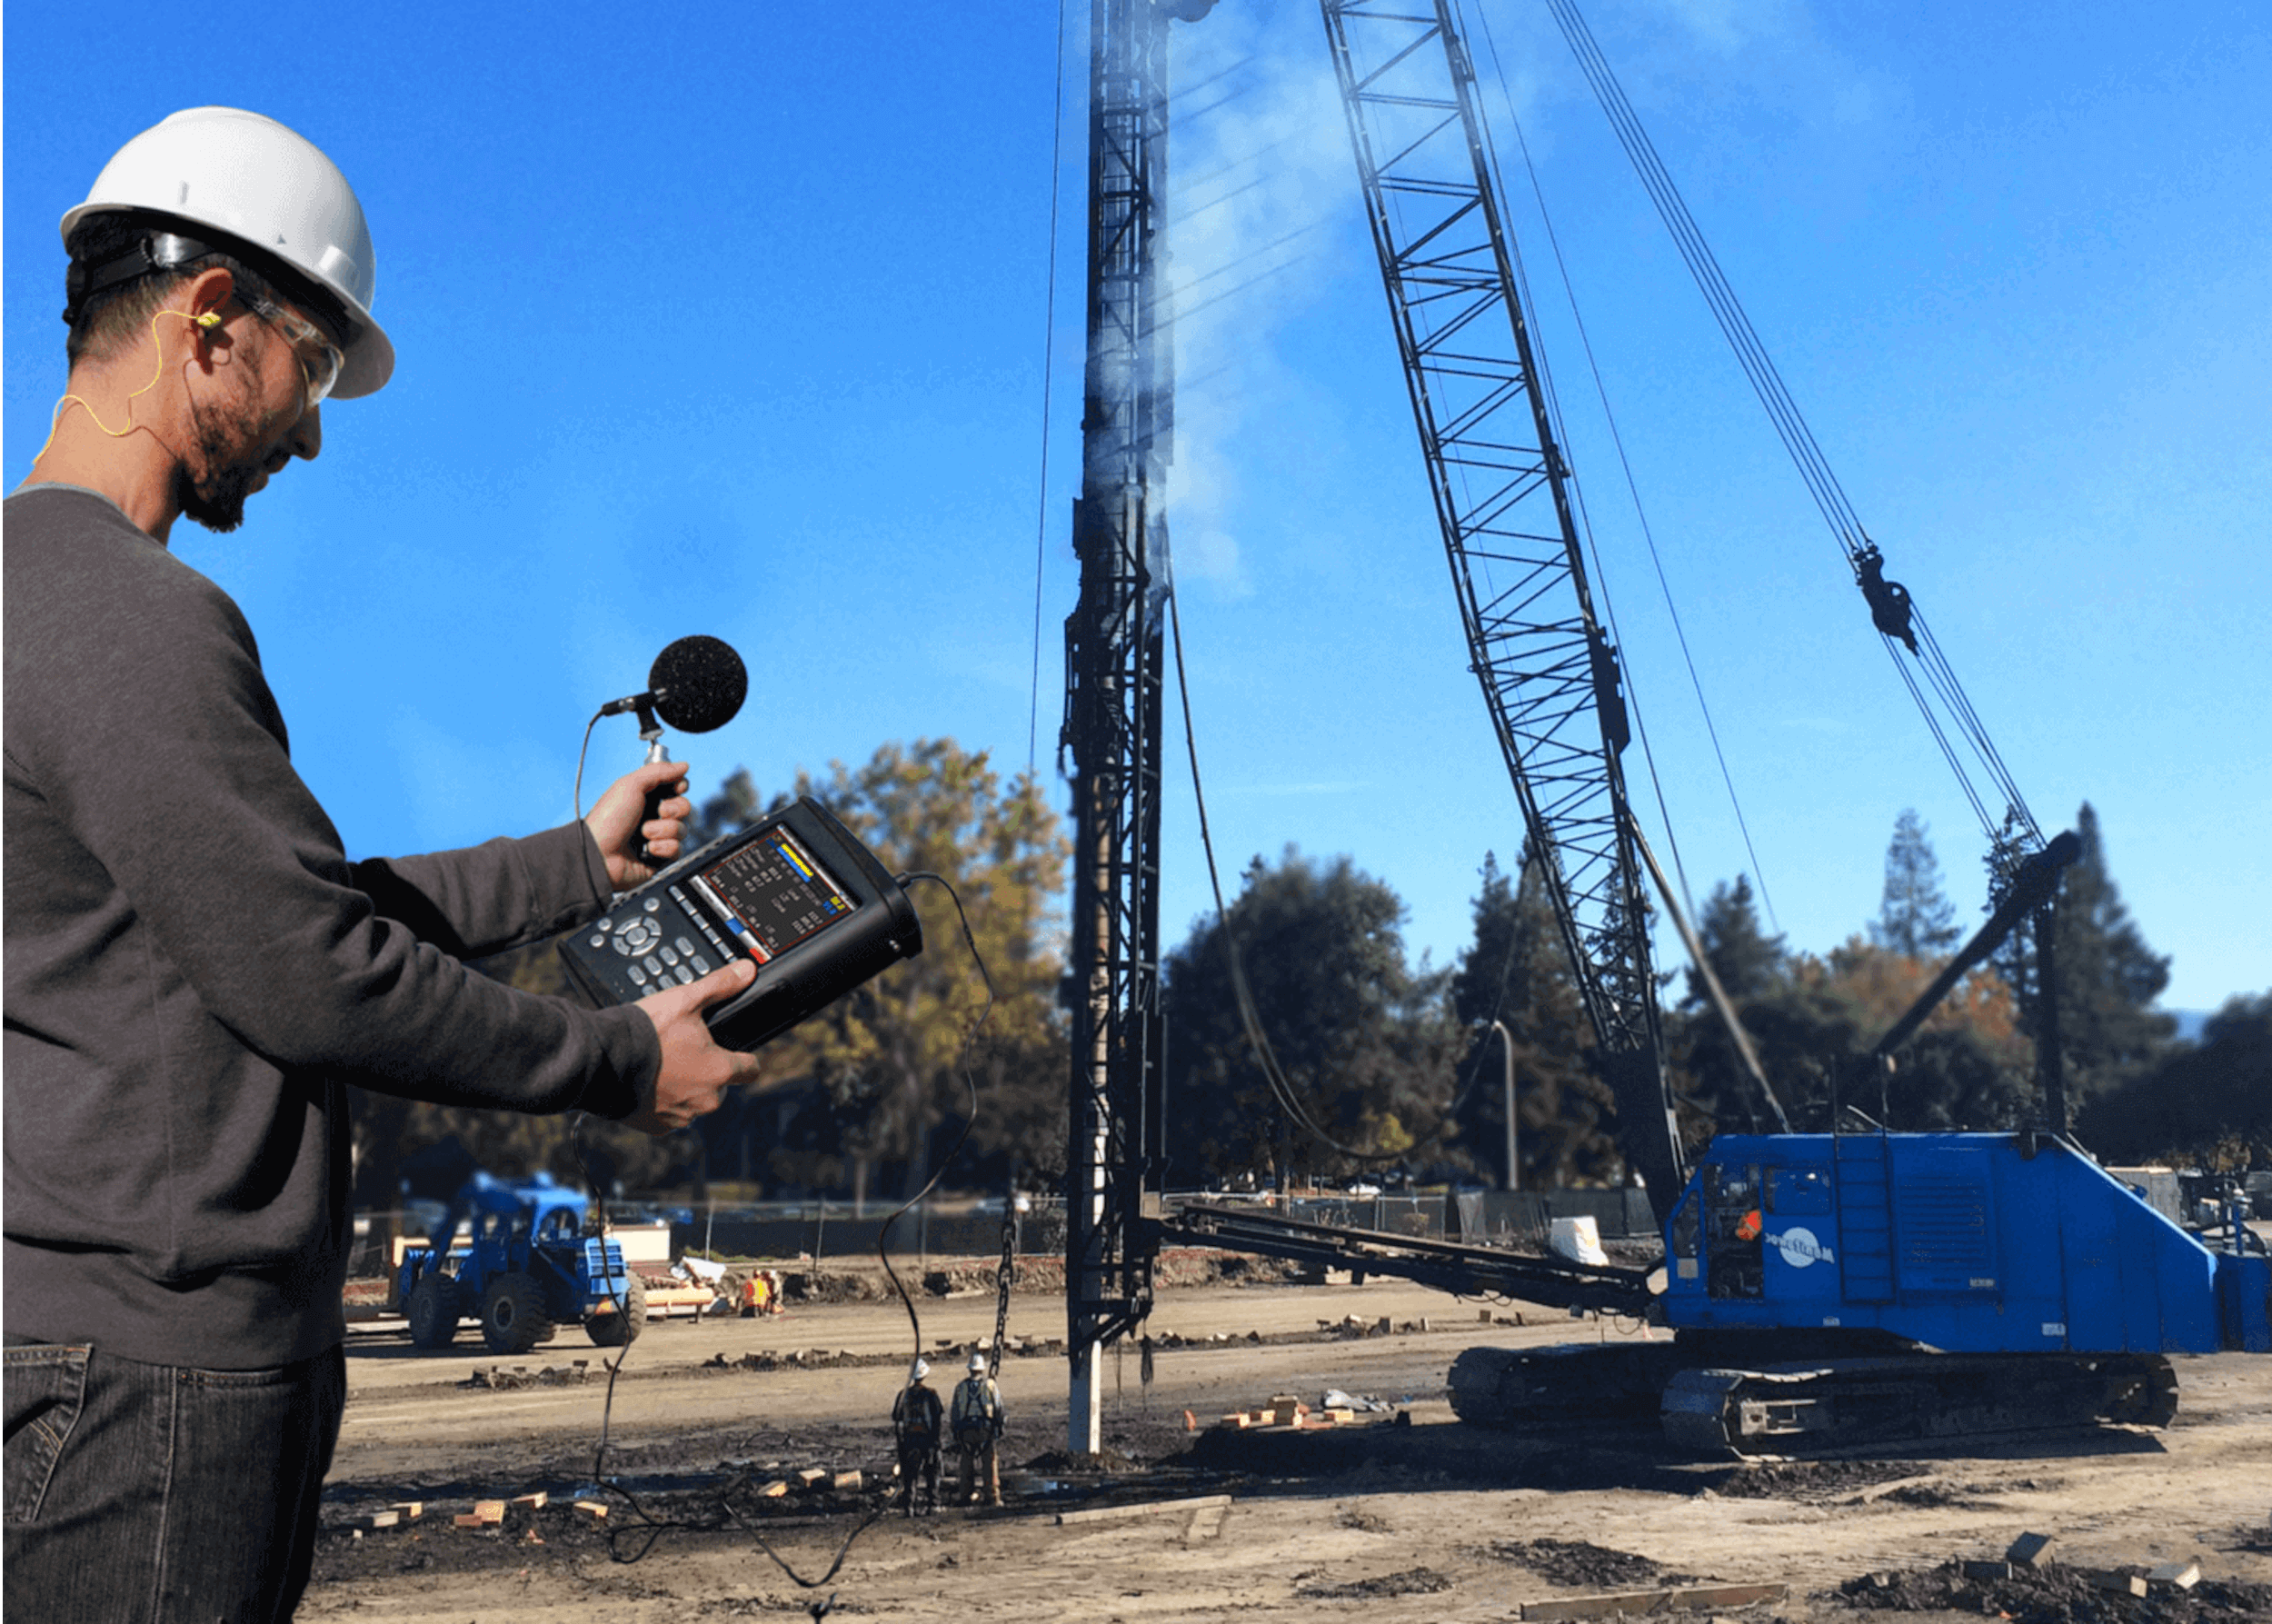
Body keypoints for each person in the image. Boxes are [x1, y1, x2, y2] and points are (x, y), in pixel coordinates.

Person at [2, 107, 764, 1622]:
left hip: (79, 1354)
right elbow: (318, 976)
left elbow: (274, 915)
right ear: (214, 318)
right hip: (152, 1384)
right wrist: (621, 1057)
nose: (314, 427)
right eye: (315, 365)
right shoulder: (133, 618)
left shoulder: (33, 599)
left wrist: (573, 866)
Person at [949, 1350, 1006, 1507]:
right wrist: (1000, 1428)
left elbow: (954, 1412)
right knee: (989, 1463)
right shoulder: (990, 1386)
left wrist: (955, 1432)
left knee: (966, 1465)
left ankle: (965, 1495)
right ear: (981, 1369)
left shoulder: (961, 1388)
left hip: (966, 1431)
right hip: (985, 1431)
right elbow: (999, 1408)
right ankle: (992, 1496)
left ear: (970, 1369)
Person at [891, 1360, 945, 1516]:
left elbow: (897, 1418)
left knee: (910, 1477)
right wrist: (936, 1441)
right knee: (932, 1474)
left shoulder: (903, 1395)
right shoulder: (931, 1394)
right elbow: (937, 1420)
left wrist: (900, 1442)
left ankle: (909, 1507)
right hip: (928, 1441)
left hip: (909, 1441)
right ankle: (933, 1505)